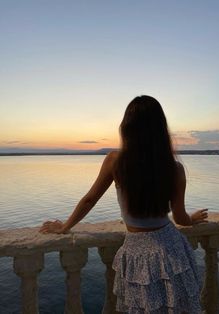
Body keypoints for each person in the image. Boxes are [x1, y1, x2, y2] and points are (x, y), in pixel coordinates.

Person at [40, 95, 208, 313]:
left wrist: (64, 227)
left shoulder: (115, 161)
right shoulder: (174, 168)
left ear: (127, 128)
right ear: (160, 130)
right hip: (172, 250)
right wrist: (191, 219)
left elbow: (89, 199)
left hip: (137, 253)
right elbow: (179, 217)